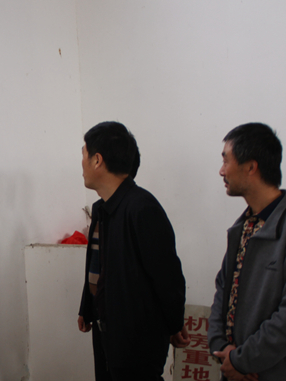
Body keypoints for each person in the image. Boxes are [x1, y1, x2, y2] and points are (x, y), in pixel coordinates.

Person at [208, 123, 286, 381]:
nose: (221, 170)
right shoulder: (244, 226)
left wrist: (243, 361)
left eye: (226, 160)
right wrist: (222, 349)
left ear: (251, 167)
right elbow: (223, 291)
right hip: (237, 368)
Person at [77, 121, 189, 381]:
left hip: (135, 339)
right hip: (106, 329)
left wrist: (173, 324)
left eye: (83, 155)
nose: (81, 164)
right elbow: (98, 265)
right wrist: (87, 307)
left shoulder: (142, 208)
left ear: (97, 160)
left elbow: (168, 277)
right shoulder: (102, 209)